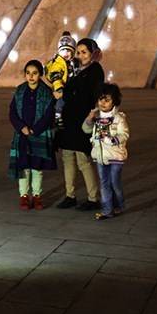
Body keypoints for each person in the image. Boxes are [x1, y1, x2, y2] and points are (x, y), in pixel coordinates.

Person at [56, 38, 104, 211]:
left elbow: (96, 95)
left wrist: (93, 115)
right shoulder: (74, 70)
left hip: (82, 121)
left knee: (83, 160)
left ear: (92, 54)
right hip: (69, 121)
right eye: (79, 52)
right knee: (67, 158)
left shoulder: (95, 70)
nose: (80, 55)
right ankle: (70, 195)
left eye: (84, 52)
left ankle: (93, 198)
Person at [8, 60, 57, 210]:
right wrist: (21, 127)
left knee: (37, 167)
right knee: (24, 167)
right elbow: (12, 112)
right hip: (22, 135)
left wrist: (35, 129)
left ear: (40, 75)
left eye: (35, 73)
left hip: (38, 134)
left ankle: (37, 196)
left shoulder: (47, 92)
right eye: (28, 73)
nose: (31, 76)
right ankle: (24, 196)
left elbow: (49, 115)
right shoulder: (19, 91)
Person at [82, 83, 129, 220]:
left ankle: (119, 205)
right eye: (101, 99)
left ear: (114, 101)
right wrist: (89, 118)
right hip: (100, 156)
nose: (103, 102)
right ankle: (107, 210)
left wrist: (112, 140)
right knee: (104, 183)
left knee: (114, 183)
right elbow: (85, 129)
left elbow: (124, 134)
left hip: (115, 156)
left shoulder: (119, 118)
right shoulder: (96, 118)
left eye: (107, 100)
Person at [43, 31, 77, 129]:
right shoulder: (58, 63)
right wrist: (59, 88)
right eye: (63, 50)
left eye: (69, 51)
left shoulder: (71, 63)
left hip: (70, 88)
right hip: (60, 88)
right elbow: (55, 76)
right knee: (60, 102)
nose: (66, 53)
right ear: (59, 51)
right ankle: (58, 116)